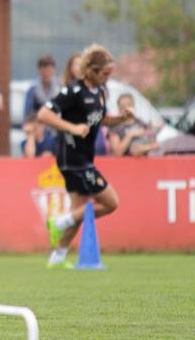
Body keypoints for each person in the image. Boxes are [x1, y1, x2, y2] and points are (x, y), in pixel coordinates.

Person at [38, 44, 134, 269]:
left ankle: (58, 256)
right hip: (71, 159)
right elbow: (44, 114)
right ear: (92, 71)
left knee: (79, 209)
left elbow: (98, 119)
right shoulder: (73, 91)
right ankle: (60, 221)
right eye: (105, 73)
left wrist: (121, 118)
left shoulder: (99, 92)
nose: (108, 77)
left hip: (85, 157)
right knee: (111, 202)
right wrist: (71, 127)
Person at [24, 54, 60, 119]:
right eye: (44, 70)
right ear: (39, 70)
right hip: (38, 124)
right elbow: (27, 114)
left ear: (53, 70)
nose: (46, 73)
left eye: (49, 70)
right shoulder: (33, 90)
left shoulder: (60, 88)